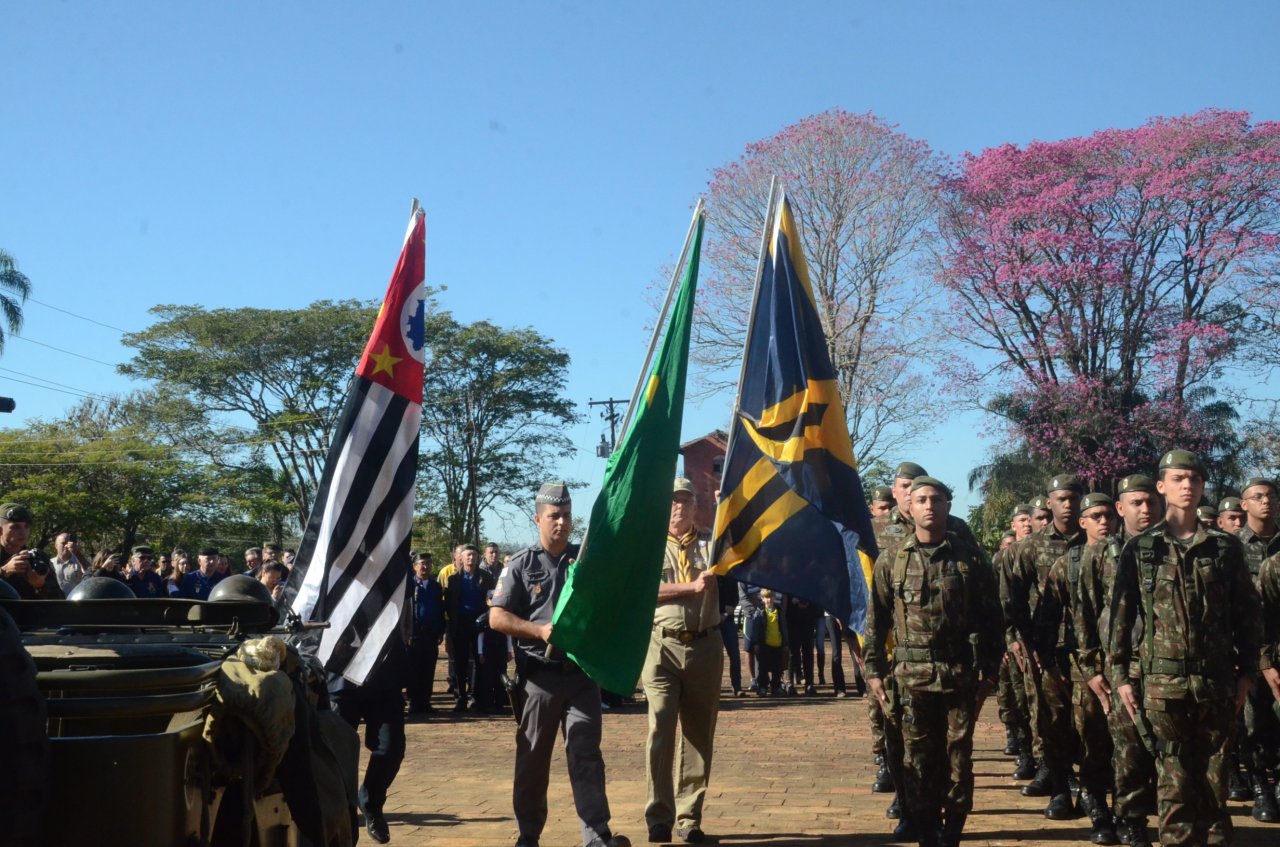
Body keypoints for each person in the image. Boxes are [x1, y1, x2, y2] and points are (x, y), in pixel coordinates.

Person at [1109, 450, 1262, 847]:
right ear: (1162, 486)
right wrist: (1120, 676)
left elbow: (1247, 615)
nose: (1188, 486)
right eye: (1178, 478)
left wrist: (1247, 672)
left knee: (1215, 785)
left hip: (1216, 684)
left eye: (1195, 479)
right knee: (1174, 788)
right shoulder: (1142, 549)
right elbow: (1120, 621)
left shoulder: (1225, 549)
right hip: (1162, 686)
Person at [864, 476, 1002, 847]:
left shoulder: (971, 559)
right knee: (919, 760)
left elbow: (992, 620)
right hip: (911, 677)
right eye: (921, 499)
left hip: (958, 676)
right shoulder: (892, 560)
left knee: (958, 759)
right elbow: (876, 619)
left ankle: (952, 829)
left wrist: (990, 675)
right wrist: (874, 671)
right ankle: (924, 828)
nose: (928, 506)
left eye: (936, 499)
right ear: (908, 505)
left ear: (948, 506)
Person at [489, 483, 628, 847]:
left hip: (581, 677)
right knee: (533, 760)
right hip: (539, 680)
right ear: (538, 519)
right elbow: (497, 617)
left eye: (566, 515)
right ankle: (529, 834)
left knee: (586, 754)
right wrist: (538, 630)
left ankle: (596, 834)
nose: (562, 523)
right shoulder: (521, 564)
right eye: (554, 516)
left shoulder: (585, 562)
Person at [1076, 474, 1159, 846]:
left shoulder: (1170, 549)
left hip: (1165, 667)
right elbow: (1085, 616)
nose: (1145, 509)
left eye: (1150, 502)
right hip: (1119, 668)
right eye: (1136, 503)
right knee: (1126, 752)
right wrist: (1093, 669)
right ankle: (1130, 821)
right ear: (1121, 508)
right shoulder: (1100, 555)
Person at [1035, 492, 1120, 844]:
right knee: (1081, 735)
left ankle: (1121, 805)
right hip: (1076, 662)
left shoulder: (1131, 556)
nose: (1104, 522)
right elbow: (1046, 616)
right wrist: (1049, 662)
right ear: (1082, 522)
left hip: (1123, 664)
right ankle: (1080, 796)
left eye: (1108, 516)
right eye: (1095, 516)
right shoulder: (1067, 563)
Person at [641, 477, 723, 844]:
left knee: (698, 733)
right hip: (661, 648)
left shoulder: (712, 543)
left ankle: (689, 817)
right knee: (660, 727)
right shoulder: (650, 546)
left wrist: (728, 510)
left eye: (685, 501)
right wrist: (690, 588)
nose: (679, 507)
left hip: (705, 646)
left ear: (695, 507)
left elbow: (743, 548)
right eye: (673, 501)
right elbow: (645, 591)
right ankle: (659, 816)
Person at [1002, 474, 1085, 819]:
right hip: (1047, 649)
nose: (1067, 504)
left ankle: (1092, 788)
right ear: (1048, 503)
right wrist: (1023, 638)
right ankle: (1061, 786)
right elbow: (1011, 599)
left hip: (1089, 648)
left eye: (1072, 497)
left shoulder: (1098, 541)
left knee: (1091, 724)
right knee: (1050, 721)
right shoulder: (1029, 547)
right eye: (1061, 498)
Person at [329, 615, 409, 844]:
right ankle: (342, 817)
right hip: (340, 673)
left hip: (384, 673)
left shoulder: (395, 576)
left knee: (391, 747)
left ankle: (371, 802)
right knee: (337, 755)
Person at [1236, 476, 1280, 821]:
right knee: (1253, 721)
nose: (1266, 501)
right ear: (1244, 504)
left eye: (1271, 496)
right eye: (1258, 496)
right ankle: (1260, 786)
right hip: (1246, 649)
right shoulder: (1231, 547)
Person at [445, 544, 494, 712]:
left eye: (473, 555)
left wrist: (486, 619)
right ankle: (460, 698)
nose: (471, 558)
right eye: (467, 555)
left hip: (480, 625)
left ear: (478, 557)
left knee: (478, 663)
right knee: (459, 663)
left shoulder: (486, 578)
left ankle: (476, 697)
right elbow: (449, 605)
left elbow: (492, 601)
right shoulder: (453, 580)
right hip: (460, 625)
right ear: (461, 558)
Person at [407, 553, 446, 713]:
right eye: (422, 564)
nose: (425, 567)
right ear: (415, 566)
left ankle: (425, 701)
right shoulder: (409, 585)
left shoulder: (436, 586)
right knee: (413, 669)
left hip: (431, 634)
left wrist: (440, 631)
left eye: (428, 564)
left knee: (428, 669)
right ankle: (414, 702)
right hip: (414, 634)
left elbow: (440, 609)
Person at [0, 502, 63, 599]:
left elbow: (59, 601)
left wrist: (40, 585)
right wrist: (4, 572)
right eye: (15, 527)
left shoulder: (36, 557)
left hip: (31, 613)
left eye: (26, 527)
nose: (23, 532)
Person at [747, 589, 787, 696]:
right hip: (764, 644)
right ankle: (763, 687)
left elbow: (783, 628)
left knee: (777, 668)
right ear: (762, 599)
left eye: (770, 597)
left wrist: (785, 643)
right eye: (766, 597)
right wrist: (755, 643)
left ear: (774, 598)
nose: (769, 600)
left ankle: (776, 687)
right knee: (763, 668)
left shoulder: (779, 611)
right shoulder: (759, 611)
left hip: (777, 644)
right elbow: (755, 629)